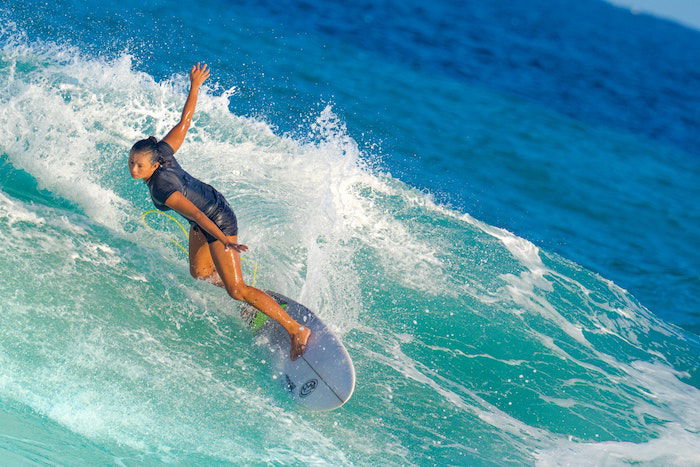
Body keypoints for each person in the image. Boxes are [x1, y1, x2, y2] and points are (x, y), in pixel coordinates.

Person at [128, 63, 311, 360]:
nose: (134, 169)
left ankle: (295, 329)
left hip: (216, 219)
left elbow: (201, 217)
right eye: (131, 162)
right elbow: (185, 122)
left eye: (139, 165)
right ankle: (248, 293)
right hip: (206, 212)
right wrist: (195, 85)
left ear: (154, 164)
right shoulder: (162, 152)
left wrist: (226, 242)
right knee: (200, 273)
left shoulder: (163, 188)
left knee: (235, 290)